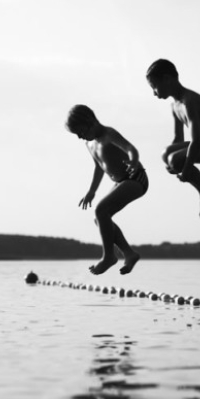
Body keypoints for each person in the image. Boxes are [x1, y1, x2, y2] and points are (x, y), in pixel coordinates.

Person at [145, 59, 200, 221]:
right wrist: (171, 163)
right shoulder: (175, 106)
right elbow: (178, 139)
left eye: (154, 87)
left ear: (167, 79)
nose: (154, 93)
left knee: (175, 159)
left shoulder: (189, 101)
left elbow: (196, 140)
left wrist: (185, 169)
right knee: (167, 155)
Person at [65, 104, 147, 275]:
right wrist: (92, 191)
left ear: (91, 122)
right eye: (77, 135)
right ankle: (129, 253)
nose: (80, 137)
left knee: (101, 211)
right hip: (120, 181)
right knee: (100, 219)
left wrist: (133, 160)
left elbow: (131, 149)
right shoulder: (89, 144)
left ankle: (108, 256)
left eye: (81, 132)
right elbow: (99, 166)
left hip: (135, 178)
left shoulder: (109, 135)